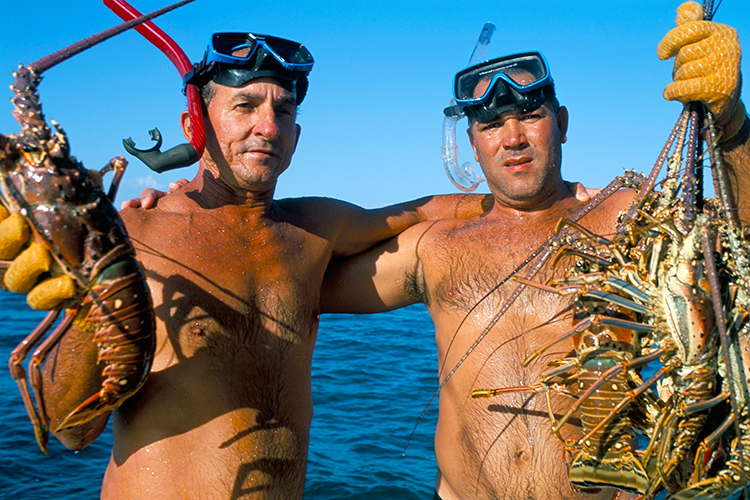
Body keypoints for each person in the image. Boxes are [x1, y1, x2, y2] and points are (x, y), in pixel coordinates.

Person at [20, 32, 497, 499]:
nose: (267, 126)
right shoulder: (135, 236)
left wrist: (559, 204)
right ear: (195, 128)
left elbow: (418, 211)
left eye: (283, 111)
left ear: (296, 135)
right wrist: (90, 297)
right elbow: (71, 431)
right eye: (245, 106)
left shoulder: (313, 226)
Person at [319, 3, 750, 500]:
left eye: (529, 115)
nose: (513, 138)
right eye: (491, 125)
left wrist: (731, 124)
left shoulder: (627, 219)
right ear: (471, 144)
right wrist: (433, 207)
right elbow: (293, 289)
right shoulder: (435, 246)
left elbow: (738, 247)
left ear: (562, 123)